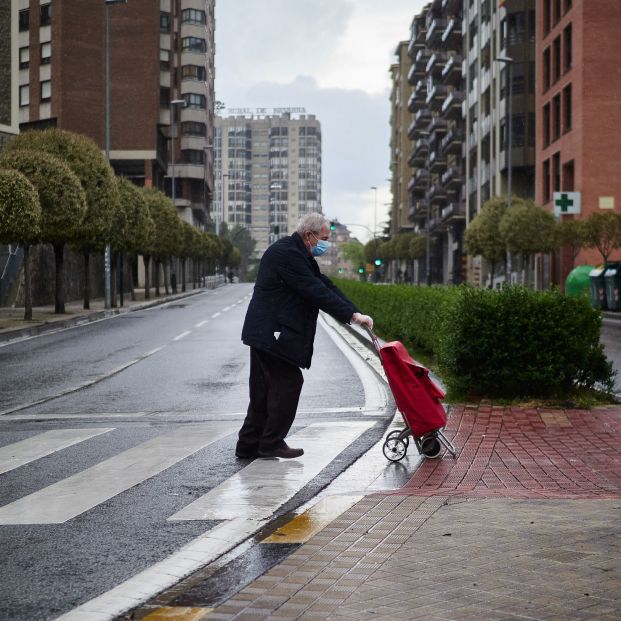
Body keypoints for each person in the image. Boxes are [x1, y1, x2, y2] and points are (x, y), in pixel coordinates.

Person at [236, 213, 374, 459]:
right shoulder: (287, 253)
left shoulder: (299, 253)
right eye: (324, 238)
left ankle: (248, 445)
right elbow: (314, 290)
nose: (326, 244)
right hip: (271, 333)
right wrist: (352, 317)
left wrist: (355, 312)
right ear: (309, 235)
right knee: (288, 383)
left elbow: (323, 284)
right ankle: (270, 442)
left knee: (262, 390)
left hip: (265, 332)